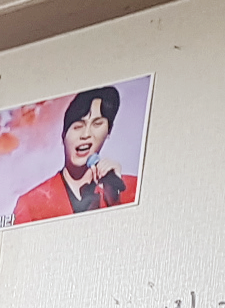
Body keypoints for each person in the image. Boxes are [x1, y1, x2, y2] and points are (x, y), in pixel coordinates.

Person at [9, 86, 139, 225]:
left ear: (108, 131)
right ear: (63, 135)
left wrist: (115, 202)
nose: (86, 134)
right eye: (78, 126)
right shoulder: (31, 204)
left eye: (97, 124)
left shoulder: (133, 189)